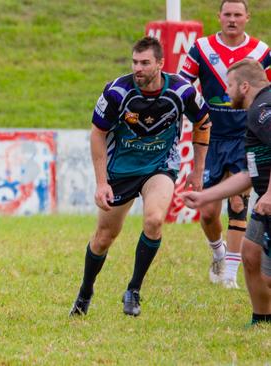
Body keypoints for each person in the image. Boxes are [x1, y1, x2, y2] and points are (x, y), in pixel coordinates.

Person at [69, 36, 211, 317]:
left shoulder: (182, 91)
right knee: (104, 237)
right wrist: (101, 183)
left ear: (160, 64)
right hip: (120, 171)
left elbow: (203, 122)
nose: (138, 68)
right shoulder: (116, 92)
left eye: (145, 63)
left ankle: (133, 289)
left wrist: (196, 171)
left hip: (160, 167)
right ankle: (86, 291)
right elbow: (97, 133)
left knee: (154, 219)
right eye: (135, 62)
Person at [180, 0, 271, 288]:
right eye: (227, 14)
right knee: (207, 211)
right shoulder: (201, 48)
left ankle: (231, 274)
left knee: (237, 202)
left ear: (247, 18)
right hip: (211, 137)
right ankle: (218, 252)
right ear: (218, 17)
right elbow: (183, 86)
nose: (232, 19)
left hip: (247, 135)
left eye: (237, 15)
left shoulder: (262, 51)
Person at [182, 59, 271, 326]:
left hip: (268, 199)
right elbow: (248, 174)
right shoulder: (255, 110)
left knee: (268, 275)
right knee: (250, 254)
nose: (226, 93)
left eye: (229, 85)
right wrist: (206, 196)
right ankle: (261, 320)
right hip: (264, 201)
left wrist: (268, 195)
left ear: (244, 86)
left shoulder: (263, 110)